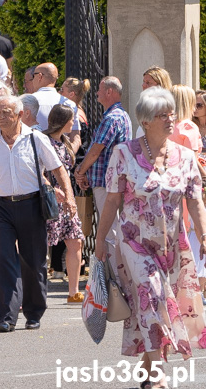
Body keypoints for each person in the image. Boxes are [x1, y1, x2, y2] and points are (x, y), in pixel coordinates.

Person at [95, 87, 206, 386]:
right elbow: (113, 201)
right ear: (145, 121)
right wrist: (100, 240)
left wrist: (205, 236)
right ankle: (156, 374)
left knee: (162, 303)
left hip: (172, 244)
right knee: (152, 296)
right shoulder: (123, 154)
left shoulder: (184, 156)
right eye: (162, 115)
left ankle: (146, 365)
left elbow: (195, 199)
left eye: (171, 113)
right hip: (135, 243)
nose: (170, 119)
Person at [0, 95, 74, 333]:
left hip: (32, 205)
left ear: (20, 115)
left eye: (7, 112)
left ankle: (34, 312)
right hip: (2, 206)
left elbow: (58, 169)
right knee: (5, 260)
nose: (2, 117)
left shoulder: (36, 139)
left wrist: (69, 197)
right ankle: (6, 316)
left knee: (33, 261)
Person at [73, 77, 131, 251]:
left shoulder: (112, 118)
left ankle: (114, 276)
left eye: (99, 89)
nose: (96, 93)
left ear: (109, 92)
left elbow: (95, 151)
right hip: (110, 181)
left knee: (109, 231)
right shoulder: (121, 115)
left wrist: (80, 172)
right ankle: (114, 275)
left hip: (107, 182)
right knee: (112, 229)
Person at [42, 104, 85, 303]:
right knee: (41, 246)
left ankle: (73, 291)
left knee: (76, 241)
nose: (73, 122)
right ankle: (34, 291)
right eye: (71, 119)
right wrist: (51, 187)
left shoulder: (64, 141)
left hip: (67, 200)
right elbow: (37, 171)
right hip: (49, 199)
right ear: (62, 121)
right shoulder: (44, 141)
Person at [31, 63, 82, 154]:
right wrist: (67, 156)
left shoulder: (28, 101)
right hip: (61, 157)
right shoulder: (69, 104)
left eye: (33, 76)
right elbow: (75, 136)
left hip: (34, 157)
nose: (32, 80)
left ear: (39, 76)